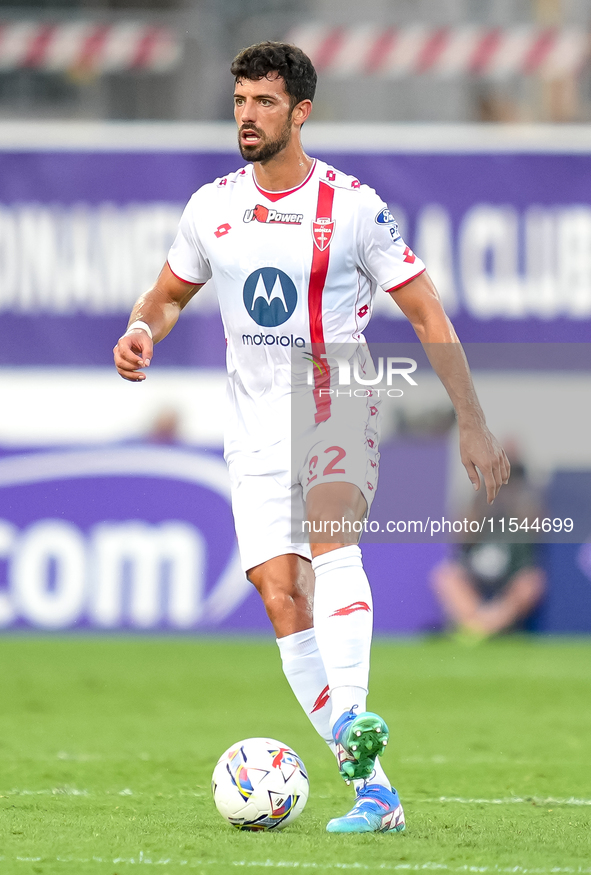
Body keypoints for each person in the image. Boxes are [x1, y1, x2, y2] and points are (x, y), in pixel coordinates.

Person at [113, 41, 510, 834]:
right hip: (251, 426)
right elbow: (166, 295)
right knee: (279, 595)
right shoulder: (210, 207)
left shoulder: (354, 206)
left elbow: (427, 312)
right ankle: (376, 792)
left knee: (330, 545)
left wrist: (471, 418)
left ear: (300, 111)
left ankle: (355, 712)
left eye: (263, 102)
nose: (246, 116)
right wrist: (139, 330)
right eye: (239, 101)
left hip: (337, 402)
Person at [432, 456, 545, 641]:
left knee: (531, 584)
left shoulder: (522, 517)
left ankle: (480, 629)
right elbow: (460, 552)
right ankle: (479, 625)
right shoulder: (477, 514)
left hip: (507, 584)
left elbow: (527, 568)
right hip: (477, 582)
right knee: (445, 577)